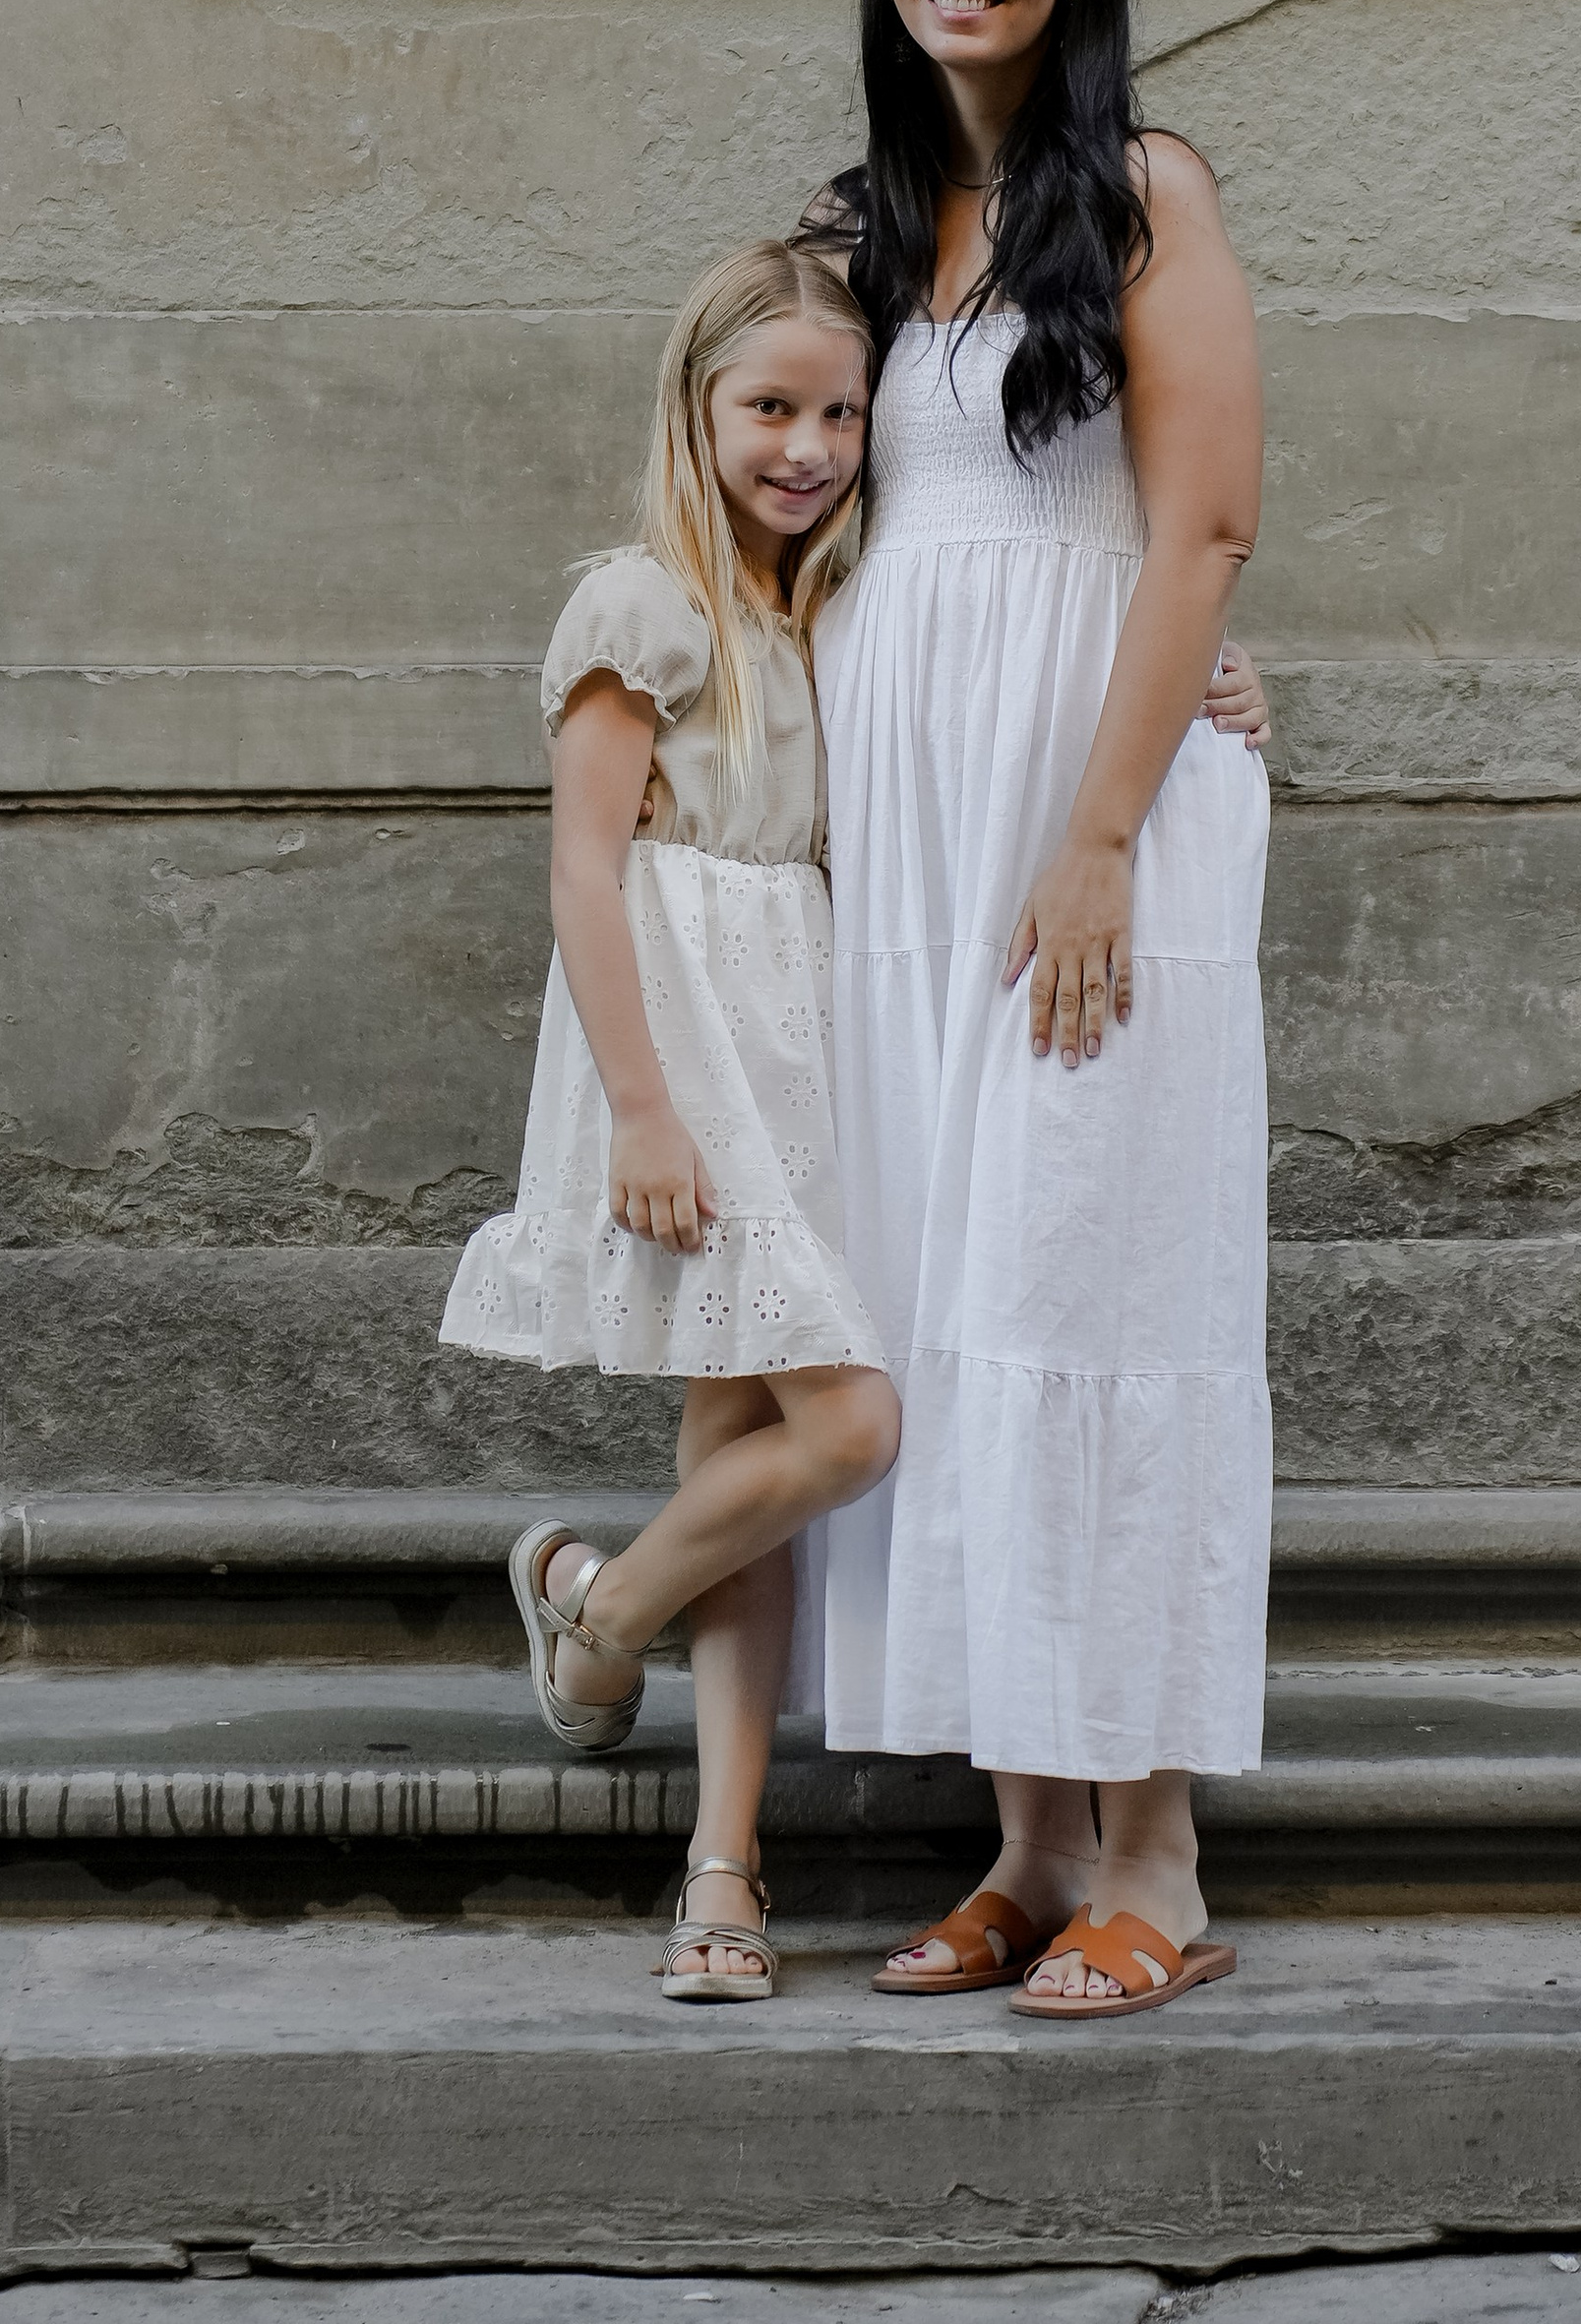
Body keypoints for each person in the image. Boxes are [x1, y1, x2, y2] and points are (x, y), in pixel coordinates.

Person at [804, 0, 1275, 2023]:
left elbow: (1188, 533)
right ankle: (1023, 1842)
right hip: (914, 844)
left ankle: (1156, 1861)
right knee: (952, 1301)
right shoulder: (887, 221)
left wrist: (1099, 821)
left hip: (1083, 827)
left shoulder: (1145, 191)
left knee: (1101, 1284)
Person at [442, 240, 900, 2005]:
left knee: (745, 1461)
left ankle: (719, 1860)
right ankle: (604, 1607)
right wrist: (643, 1105)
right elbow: (584, 867)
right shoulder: (642, 604)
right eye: (768, 406)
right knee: (845, 1429)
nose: (805, 443)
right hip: (689, 1035)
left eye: (838, 409)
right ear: (699, 409)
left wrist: (1225, 685)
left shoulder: (834, 611)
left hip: (808, 1034)